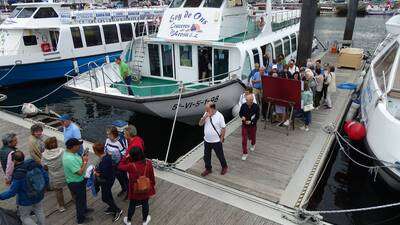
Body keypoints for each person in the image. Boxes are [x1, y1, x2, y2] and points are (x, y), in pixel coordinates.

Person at [0, 151, 49, 225]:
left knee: (24, 217)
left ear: (14, 161)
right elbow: (45, 176)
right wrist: (44, 187)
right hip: (39, 194)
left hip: (25, 200)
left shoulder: (18, 174)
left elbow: (12, 192)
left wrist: (1, 196)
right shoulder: (33, 164)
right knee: (39, 211)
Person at [120, 147, 155, 225]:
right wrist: (152, 184)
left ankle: (128, 221)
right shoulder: (148, 163)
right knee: (145, 204)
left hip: (134, 189)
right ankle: (145, 220)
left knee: (132, 205)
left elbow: (120, 166)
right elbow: (152, 176)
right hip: (146, 187)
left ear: (132, 156)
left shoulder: (131, 166)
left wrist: (125, 157)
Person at [63, 138, 92, 224]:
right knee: (79, 201)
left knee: (82, 198)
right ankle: (81, 219)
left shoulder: (72, 153)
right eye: (78, 145)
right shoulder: (69, 159)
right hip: (76, 182)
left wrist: (83, 158)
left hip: (80, 181)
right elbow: (79, 172)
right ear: (73, 147)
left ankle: (85, 210)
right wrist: (85, 162)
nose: (80, 146)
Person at [93, 143, 123, 222]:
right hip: (110, 179)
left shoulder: (104, 161)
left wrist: (95, 173)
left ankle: (117, 210)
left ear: (96, 152)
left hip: (106, 181)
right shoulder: (107, 156)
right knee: (108, 194)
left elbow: (103, 175)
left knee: (105, 198)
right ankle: (112, 207)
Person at [198, 103, 228, 177]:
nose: (206, 110)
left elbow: (223, 128)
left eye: (207, 109)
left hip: (216, 141)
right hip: (207, 140)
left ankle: (224, 167)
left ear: (213, 108)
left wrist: (221, 140)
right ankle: (208, 169)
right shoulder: (206, 114)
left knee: (220, 155)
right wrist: (204, 117)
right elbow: (200, 124)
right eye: (206, 109)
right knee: (206, 156)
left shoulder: (220, 116)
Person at [42, 137, 66, 213]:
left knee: (58, 191)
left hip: (54, 176)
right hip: (64, 174)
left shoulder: (44, 155)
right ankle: (74, 199)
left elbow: (45, 167)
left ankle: (61, 206)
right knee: (71, 188)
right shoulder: (62, 151)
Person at [105, 126, 128, 198]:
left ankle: (128, 191)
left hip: (119, 164)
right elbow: (105, 148)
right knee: (119, 178)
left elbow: (124, 153)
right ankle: (124, 189)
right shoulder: (107, 140)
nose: (107, 136)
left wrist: (114, 154)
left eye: (109, 134)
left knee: (124, 177)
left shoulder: (120, 142)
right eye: (107, 134)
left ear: (114, 134)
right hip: (111, 163)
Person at [239, 94, 259, 161]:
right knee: (244, 139)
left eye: (248, 100)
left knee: (253, 137)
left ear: (252, 100)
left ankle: (253, 144)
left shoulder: (256, 107)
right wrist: (242, 117)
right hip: (244, 125)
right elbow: (240, 113)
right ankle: (245, 153)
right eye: (246, 100)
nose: (246, 101)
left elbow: (257, 117)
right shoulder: (243, 105)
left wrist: (251, 122)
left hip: (252, 125)